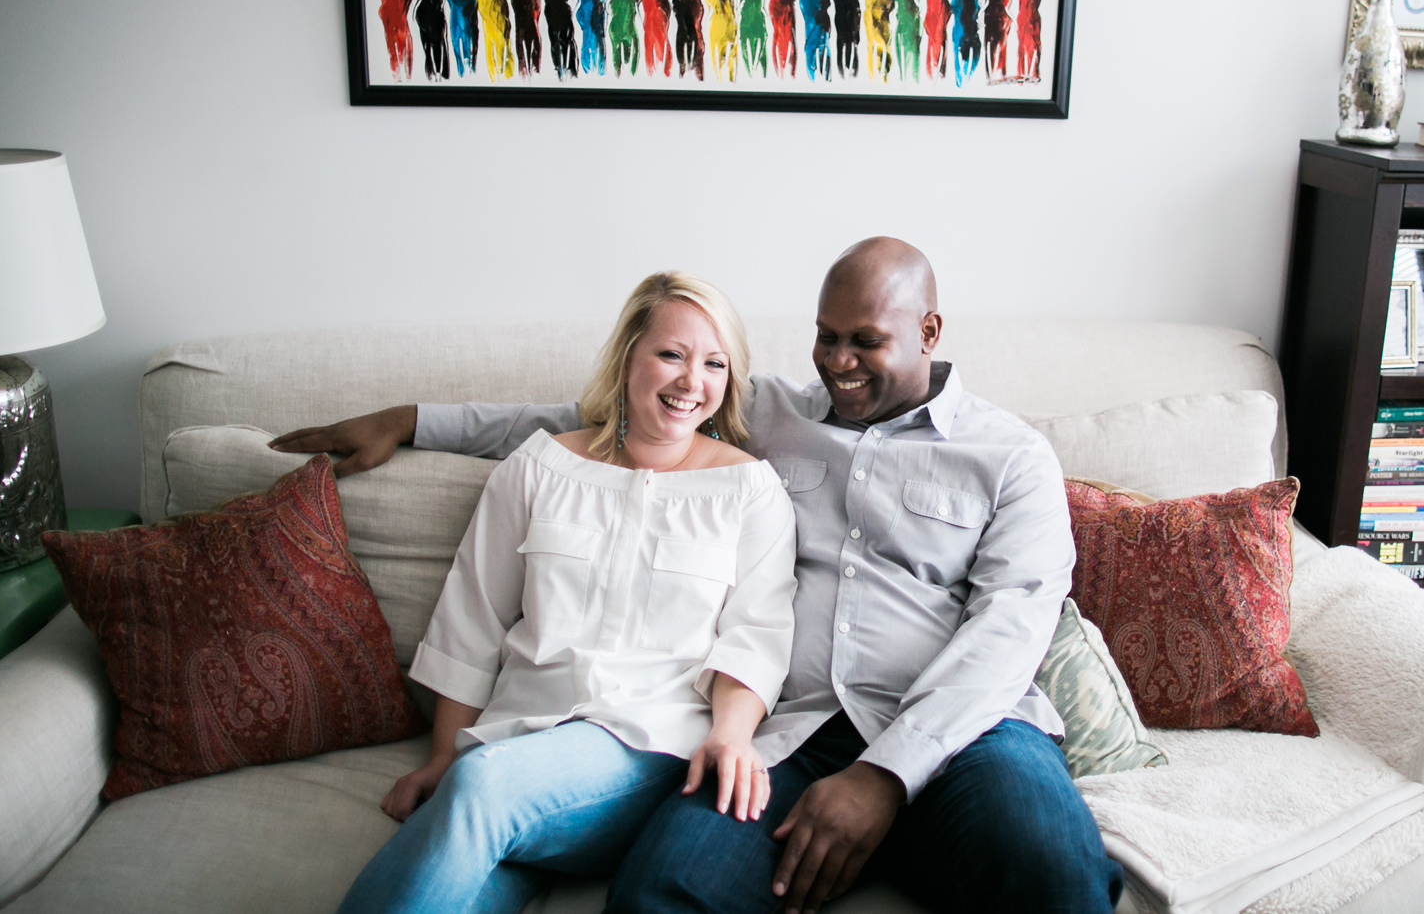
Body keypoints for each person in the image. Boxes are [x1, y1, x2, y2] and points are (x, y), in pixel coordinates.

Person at [275, 238, 1121, 914]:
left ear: (930, 333)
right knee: (659, 888)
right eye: (827, 336)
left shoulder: (1011, 456)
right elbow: (606, 421)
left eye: (867, 340)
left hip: (966, 731)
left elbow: (1010, 628)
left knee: (1052, 865)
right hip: (794, 733)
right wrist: (410, 419)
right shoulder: (768, 414)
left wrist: (884, 776)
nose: (839, 360)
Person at [317, 273, 797, 914]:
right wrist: (441, 757)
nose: (691, 382)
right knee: (468, 873)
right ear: (628, 355)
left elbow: (757, 634)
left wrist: (733, 736)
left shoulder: (750, 491)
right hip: (516, 739)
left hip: (649, 747)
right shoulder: (540, 467)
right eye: (671, 355)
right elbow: (473, 614)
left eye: (714, 364)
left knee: (481, 785)